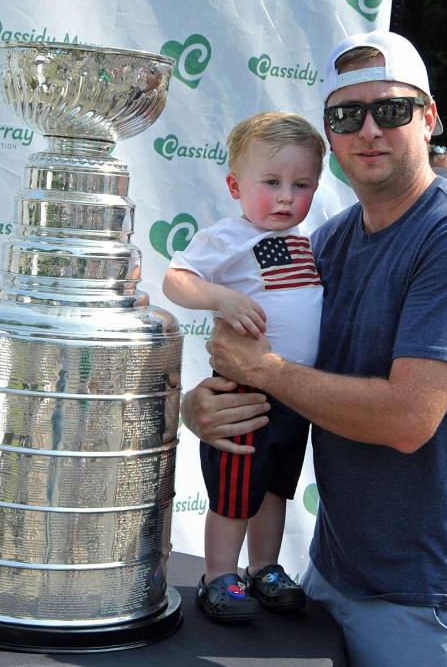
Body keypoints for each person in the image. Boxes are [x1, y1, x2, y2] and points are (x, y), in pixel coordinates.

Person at [182, 30, 447, 666]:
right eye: (346, 115)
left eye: (389, 110)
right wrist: (207, 405)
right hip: (331, 571)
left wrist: (265, 371)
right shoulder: (327, 242)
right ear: (329, 134)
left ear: (430, 117)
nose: (368, 130)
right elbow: (265, 358)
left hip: (427, 595)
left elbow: (406, 418)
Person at [163, 111, 325, 622]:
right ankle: (218, 576)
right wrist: (221, 298)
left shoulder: (308, 240)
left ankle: (265, 568)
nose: (285, 197)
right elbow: (175, 279)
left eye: (301, 185)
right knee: (234, 493)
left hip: (297, 394)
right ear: (235, 186)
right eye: (271, 182)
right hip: (245, 394)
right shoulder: (228, 237)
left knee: (277, 487)